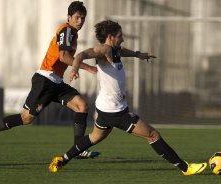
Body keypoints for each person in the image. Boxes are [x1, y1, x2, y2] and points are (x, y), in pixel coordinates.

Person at [48, 20, 207, 175]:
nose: (122, 39)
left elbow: (123, 51)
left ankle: (62, 159)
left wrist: (138, 54)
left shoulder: (115, 50)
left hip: (104, 109)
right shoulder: (104, 50)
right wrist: (75, 69)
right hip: (115, 112)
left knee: (93, 138)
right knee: (152, 135)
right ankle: (186, 168)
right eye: (120, 36)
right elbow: (82, 54)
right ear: (110, 37)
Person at [0, 1, 100, 159]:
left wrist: (74, 68)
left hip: (56, 82)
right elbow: (63, 56)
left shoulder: (73, 34)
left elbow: (66, 58)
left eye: (83, 18)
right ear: (69, 17)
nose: (80, 21)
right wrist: (88, 68)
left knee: (82, 105)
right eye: (77, 17)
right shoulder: (66, 30)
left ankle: (79, 150)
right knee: (26, 118)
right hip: (45, 80)